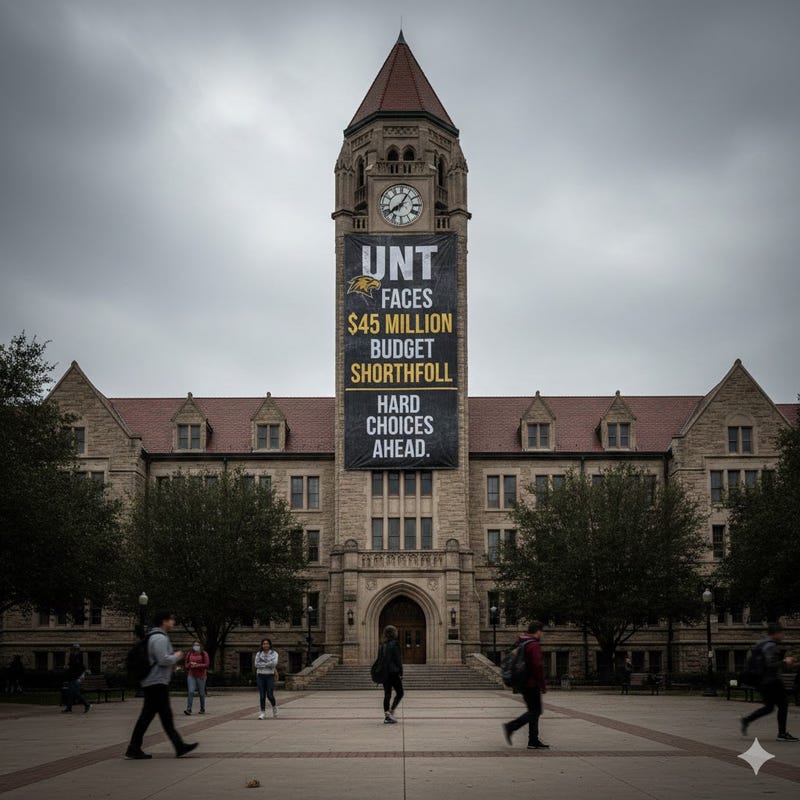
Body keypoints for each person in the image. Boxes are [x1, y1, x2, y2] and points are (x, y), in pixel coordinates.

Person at [126, 610, 198, 759]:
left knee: (156, 717)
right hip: (156, 682)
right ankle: (177, 746)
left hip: (155, 681)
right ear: (164, 621)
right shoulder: (159, 638)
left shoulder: (155, 636)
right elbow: (163, 660)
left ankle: (136, 747)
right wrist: (177, 656)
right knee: (158, 717)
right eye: (171, 620)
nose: (173, 623)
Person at [741, 622, 798, 742]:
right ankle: (782, 734)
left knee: (769, 707)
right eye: (781, 633)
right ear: (775, 633)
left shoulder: (761, 644)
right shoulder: (770, 646)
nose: (782, 635)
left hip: (762, 682)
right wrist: (785, 661)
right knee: (783, 705)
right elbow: (770, 665)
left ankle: (747, 720)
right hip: (772, 681)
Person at [502, 620, 549, 749]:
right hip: (531, 683)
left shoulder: (521, 642)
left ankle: (533, 741)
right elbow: (538, 666)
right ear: (538, 631)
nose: (542, 634)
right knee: (535, 711)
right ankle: (511, 726)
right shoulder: (533, 645)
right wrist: (543, 685)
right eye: (542, 631)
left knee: (533, 711)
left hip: (522, 682)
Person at [380, 625, 404, 724]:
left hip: (385, 672)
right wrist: (401, 672)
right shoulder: (395, 644)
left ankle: (387, 717)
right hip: (393, 672)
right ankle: (391, 712)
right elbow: (398, 659)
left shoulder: (383, 645)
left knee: (387, 694)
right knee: (400, 693)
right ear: (394, 633)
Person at [254, 638, 279, 719]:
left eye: (267, 643)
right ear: (262, 645)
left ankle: (274, 707)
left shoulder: (274, 653)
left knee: (270, 695)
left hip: (270, 676)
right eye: (264, 643)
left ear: (270, 645)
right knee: (262, 696)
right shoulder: (259, 654)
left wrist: (263, 663)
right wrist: (268, 664)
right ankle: (263, 713)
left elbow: (274, 663)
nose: (265, 645)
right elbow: (256, 664)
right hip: (260, 676)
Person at [62, 644, 91, 713]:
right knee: (70, 693)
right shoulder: (73, 658)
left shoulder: (77, 658)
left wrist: (81, 676)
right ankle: (69, 708)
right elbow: (68, 667)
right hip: (71, 678)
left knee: (75, 693)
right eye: (72, 650)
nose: (71, 651)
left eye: (73, 650)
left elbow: (80, 668)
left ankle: (87, 704)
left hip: (75, 678)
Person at [184, 640, 209, 715]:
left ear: (200, 646)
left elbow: (207, 665)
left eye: (197, 645)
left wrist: (197, 665)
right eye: (194, 645)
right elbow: (186, 665)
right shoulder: (189, 653)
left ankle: (202, 708)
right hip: (191, 675)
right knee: (191, 691)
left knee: (201, 693)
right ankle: (189, 709)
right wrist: (189, 664)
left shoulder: (204, 654)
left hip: (201, 676)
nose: (196, 646)